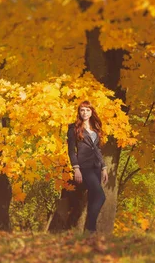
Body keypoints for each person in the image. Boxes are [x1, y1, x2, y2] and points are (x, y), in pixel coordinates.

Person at [67, 100, 107, 233]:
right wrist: (76, 168)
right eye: (82, 110)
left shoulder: (96, 128)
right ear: (79, 112)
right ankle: (91, 228)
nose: (85, 113)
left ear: (92, 112)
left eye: (87, 110)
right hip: (84, 167)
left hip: (96, 166)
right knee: (101, 196)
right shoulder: (73, 128)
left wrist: (104, 167)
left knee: (93, 198)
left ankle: (89, 233)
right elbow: (71, 151)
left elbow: (98, 150)